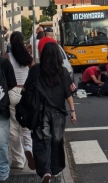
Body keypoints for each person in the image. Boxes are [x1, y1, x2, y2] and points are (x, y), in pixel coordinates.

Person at [23, 42, 77, 183]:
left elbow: (26, 89)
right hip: (58, 113)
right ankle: (55, 170)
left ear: (43, 54)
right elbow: (68, 93)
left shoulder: (36, 70)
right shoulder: (63, 71)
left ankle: (45, 171)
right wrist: (73, 111)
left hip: (40, 113)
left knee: (42, 142)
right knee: (56, 141)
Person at [7, 32, 36, 171]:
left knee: (13, 129)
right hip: (25, 93)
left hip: (12, 93)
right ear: (23, 42)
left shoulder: (7, 57)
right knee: (26, 126)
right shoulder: (28, 58)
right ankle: (29, 149)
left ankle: (18, 160)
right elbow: (35, 72)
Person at [0, 56, 16, 182]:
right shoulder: (4, 63)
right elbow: (11, 83)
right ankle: (3, 173)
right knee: (2, 144)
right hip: (1, 108)